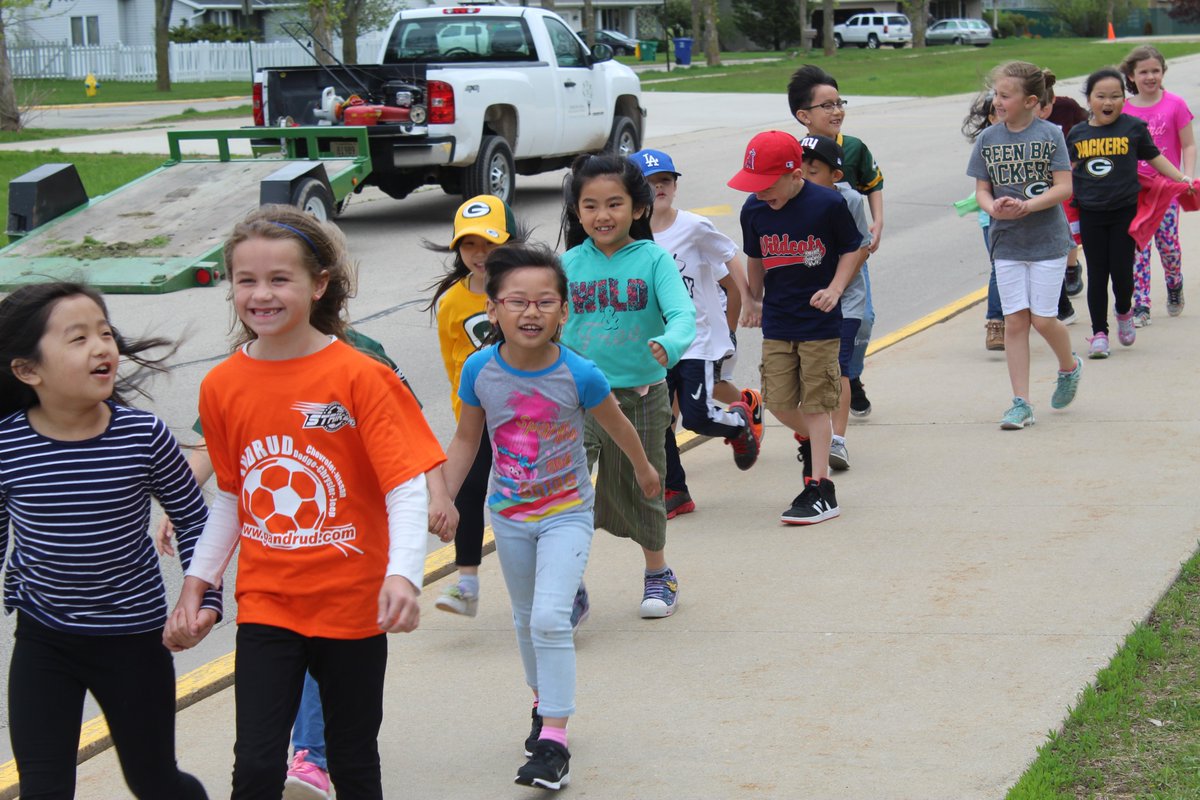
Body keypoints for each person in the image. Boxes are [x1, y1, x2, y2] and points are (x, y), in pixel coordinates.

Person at [164, 205, 447, 800]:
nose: (261, 294)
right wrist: (198, 581)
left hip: (352, 603)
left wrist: (402, 575)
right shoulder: (221, 385)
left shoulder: (362, 376)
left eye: (279, 278)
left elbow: (404, 487)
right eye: (246, 280)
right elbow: (233, 496)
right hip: (269, 604)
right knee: (256, 766)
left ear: (318, 284)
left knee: (352, 760)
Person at [442, 242, 661, 791]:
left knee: (548, 618)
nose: (531, 312)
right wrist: (443, 496)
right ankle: (544, 707)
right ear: (492, 309)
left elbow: (617, 424)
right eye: (517, 301)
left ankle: (555, 744)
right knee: (524, 619)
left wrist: (643, 469)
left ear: (564, 311)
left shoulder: (579, 373)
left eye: (545, 301)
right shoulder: (479, 370)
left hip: (566, 512)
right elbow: (467, 440)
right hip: (509, 515)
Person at [0, 281, 217, 799]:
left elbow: (194, 520)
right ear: (28, 370)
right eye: (78, 339)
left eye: (105, 332)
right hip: (44, 638)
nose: (102, 347)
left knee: (154, 782)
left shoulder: (143, 436)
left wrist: (203, 599)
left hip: (133, 642)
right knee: (43, 789)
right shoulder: (7, 443)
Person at [559, 153, 696, 618]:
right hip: (576, 400)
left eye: (614, 204)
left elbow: (682, 314)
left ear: (638, 208)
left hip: (640, 396)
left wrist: (670, 344)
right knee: (566, 490)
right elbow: (544, 321)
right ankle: (568, 585)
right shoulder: (567, 264)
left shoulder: (654, 259)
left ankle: (659, 572)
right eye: (591, 205)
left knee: (645, 485)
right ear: (577, 211)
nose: (603, 215)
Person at [728, 130, 862, 524]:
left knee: (817, 403)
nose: (760, 192)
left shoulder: (827, 204)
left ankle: (821, 488)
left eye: (768, 184)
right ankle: (817, 440)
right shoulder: (754, 209)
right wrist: (752, 300)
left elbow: (853, 247)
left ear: (795, 174)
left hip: (820, 322)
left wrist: (835, 288)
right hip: (778, 320)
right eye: (754, 184)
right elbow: (755, 257)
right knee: (781, 402)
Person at [629, 147, 761, 517]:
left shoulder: (692, 227)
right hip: (653, 346)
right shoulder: (629, 236)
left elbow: (729, 256)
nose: (658, 188)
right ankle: (676, 491)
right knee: (659, 423)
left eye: (665, 181)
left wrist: (749, 301)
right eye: (648, 183)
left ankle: (738, 423)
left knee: (697, 416)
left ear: (674, 186)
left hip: (694, 340)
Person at [424, 194, 526, 617]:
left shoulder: (525, 290)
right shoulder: (452, 301)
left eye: (489, 243)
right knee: (468, 492)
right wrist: (462, 415)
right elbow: (453, 365)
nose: (479, 253)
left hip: (526, 418)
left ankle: (561, 587)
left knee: (529, 500)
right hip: (477, 418)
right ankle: (466, 583)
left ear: (511, 242)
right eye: (469, 244)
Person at [966, 61, 1082, 429]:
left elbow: (1064, 187)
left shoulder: (1050, 135)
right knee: (1015, 320)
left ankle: (1069, 366)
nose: (997, 102)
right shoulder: (988, 139)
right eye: (996, 94)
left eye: (1005, 95)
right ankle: (1021, 403)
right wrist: (994, 208)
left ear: (1031, 101)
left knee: (1043, 319)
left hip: (1048, 242)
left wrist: (1028, 206)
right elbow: (982, 190)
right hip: (1007, 242)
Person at [1066, 67, 1194, 358]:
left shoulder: (1133, 128)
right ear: (1089, 99)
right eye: (1101, 96)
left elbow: (1155, 158)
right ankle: (1100, 333)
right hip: (1091, 213)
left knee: (1123, 273)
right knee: (1098, 273)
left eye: (1115, 96)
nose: (1108, 102)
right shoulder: (1078, 134)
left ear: (1124, 99)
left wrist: (1181, 179)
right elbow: (1066, 172)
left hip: (1124, 212)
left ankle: (1124, 311)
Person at [788, 64, 883, 419]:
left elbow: (873, 184)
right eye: (827, 105)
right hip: (812, 256)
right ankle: (838, 376)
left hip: (850, 248)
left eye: (839, 103)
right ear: (804, 115)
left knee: (864, 318)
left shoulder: (854, 147)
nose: (837, 111)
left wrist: (878, 221)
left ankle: (850, 373)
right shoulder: (794, 152)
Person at [798, 135, 872, 471]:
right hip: (807, 300)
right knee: (810, 371)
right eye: (799, 169)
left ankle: (837, 440)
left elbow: (861, 248)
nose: (804, 176)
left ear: (836, 176)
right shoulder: (792, 200)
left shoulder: (850, 200)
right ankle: (816, 433)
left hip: (846, 300)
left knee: (839, 367)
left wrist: (837, 287)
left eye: (813, 171)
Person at [1120, 44, 1197, 326]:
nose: (1150, 77)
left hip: (1166, 190)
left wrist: (1187, 177)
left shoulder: (1175, 104)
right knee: (1138, 247)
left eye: (1155, 71)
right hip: (1134, 190)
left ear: (1163, 72)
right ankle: (1141, 305)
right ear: (1131, 75)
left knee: (1168, 246)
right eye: (1143, 72)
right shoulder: (1124, 110)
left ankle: (1174, 283)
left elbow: (1188, 145)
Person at [961, 89, 1006, 351]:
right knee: (999, 267)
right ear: (990, 118)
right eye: (996, 111)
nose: (1002, 114)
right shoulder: (986, 143)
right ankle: (995, 322)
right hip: (992, 217)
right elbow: (982, 187)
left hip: (1027, 215)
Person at [1043, 72, 1090, 300]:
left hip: (1067, 175)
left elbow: (1088, 128)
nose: (1039, 113)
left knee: (1068, 226)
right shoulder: (1024, 115)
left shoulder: (1067, 108)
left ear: (1053, 100)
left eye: (1044, 108)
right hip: (1040, 180)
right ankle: (1054, 271)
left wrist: (1077, 160)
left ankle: (1071, 268)